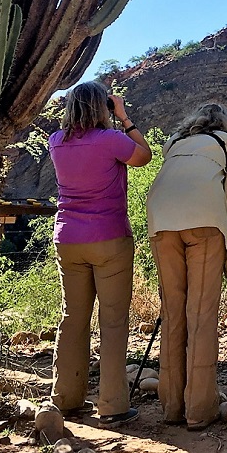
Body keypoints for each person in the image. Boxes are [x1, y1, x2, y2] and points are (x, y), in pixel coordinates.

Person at [48, 81, 152, 425]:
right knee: (113, 321)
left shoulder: (56, 142)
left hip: (68, 238)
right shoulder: (110, 140)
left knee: (73, 318)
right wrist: (124, 117)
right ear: (101, 107)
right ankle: (112, 405)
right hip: (109, 238)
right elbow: (144, 157)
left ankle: (65, 398)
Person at [146, 102, 227, 431]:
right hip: (205, 224)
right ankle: (199, 409)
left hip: (160, 222)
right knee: (201, 315)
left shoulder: (174, 142)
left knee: (174, 311)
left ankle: (172, 407)